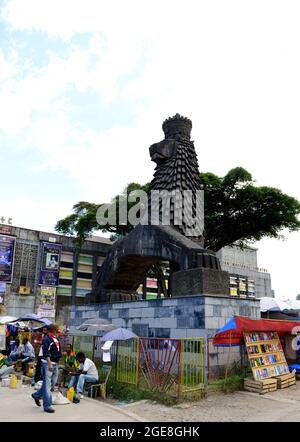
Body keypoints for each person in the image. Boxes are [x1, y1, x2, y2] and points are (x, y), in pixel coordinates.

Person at [31, 323, 61, 413]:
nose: (59, 330)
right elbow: (46, 352)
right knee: (47, 386)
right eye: (57, 328)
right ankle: (47, 406)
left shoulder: (55, 338)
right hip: (48, 364)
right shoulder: (47, 338)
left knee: (52, 383)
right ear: (54, 329)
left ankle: (36, 395)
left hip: (55, 363)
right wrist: (49, 364)